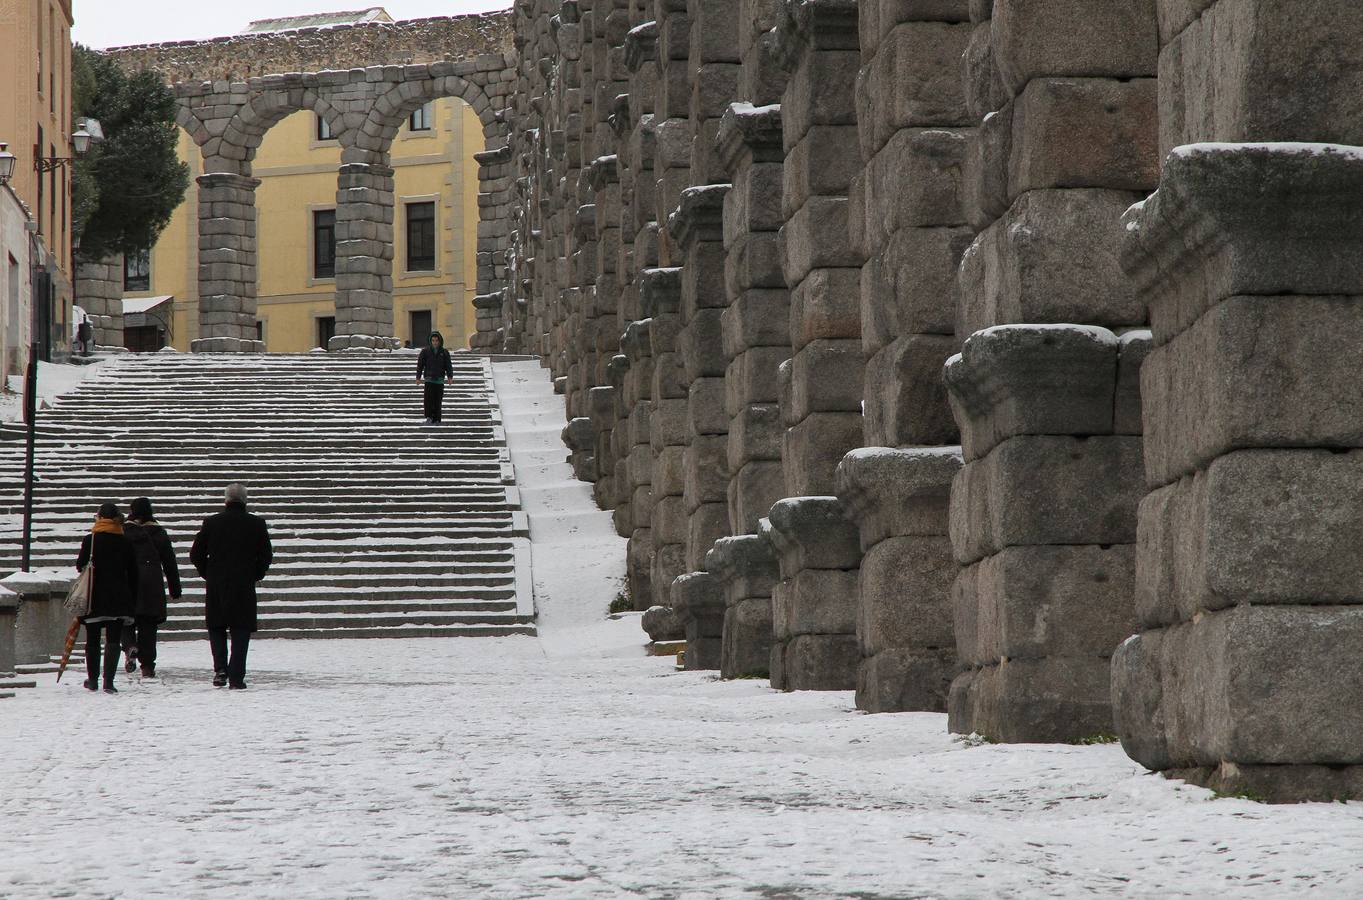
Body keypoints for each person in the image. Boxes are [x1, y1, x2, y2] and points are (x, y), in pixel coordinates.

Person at [190, 483, 272, 690]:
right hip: (243, 584)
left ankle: (220, 669)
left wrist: (207, 572)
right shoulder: (256, 524)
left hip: (217, 582)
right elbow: (265, 556)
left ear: (226, 500)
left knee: (216, 626)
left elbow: (196, 554)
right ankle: (236, 676)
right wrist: (255, 574)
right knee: (241, 629)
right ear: (245, 500)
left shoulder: (212, 523)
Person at [75, 503, 138, 694]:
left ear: (100, 518)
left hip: (95, 596)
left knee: (93, 639)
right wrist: (132, 598)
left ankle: (93, 679)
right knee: (113, 639)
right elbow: (134, 572)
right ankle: (108, 682)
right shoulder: (125, 541)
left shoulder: (90, 540)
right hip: (118, 597)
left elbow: (80, 565)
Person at [121, 497, 182, 679]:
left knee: (126, 620)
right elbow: (169, 562)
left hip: (128, 582)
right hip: (151, 583)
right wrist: (174, 587)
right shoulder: (158, 532)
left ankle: (130, 646)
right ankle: (147, 665)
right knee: (148, 625)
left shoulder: (123, 532)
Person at [415, 331, 454, 424]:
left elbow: (448, 365)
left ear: (440, 341)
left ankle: (437, 419)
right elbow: (420, 365)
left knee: (437, 400)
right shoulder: (425, 352)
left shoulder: (444, 352)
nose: (435, 342)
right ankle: (429, 417)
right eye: (433, 340)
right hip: (429, 379)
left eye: (436, 340)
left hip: (439, 380)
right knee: (428, 400)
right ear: (430, 341)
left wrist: (450, 376)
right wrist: (418, 377)